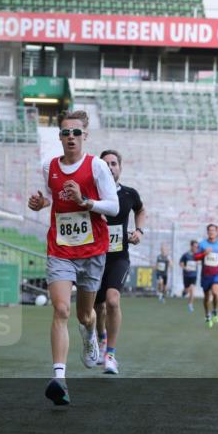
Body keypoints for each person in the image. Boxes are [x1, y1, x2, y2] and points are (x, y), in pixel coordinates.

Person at [29, 111, 118, 404]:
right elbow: (52, 198)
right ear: (59, 136)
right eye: (66, 132)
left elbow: (113, 207)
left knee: (83, 314)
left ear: (85, 136)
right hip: (61, 249)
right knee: (61, 310)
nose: (71, 137)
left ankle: (90, 331)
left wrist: (85, 202)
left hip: (92, 251)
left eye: (76, 133)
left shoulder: (98, 167)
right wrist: (41, 203)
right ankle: (59, 378)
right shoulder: (49, 166)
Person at [93, 149, 145, 375]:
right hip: (94, 259)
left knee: (113, 301)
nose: (111, 167)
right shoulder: (91, 194)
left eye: (114, 163)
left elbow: (141, 210)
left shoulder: (129, 194)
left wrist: (139, 231)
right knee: (97, 307)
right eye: (106, 164)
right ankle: (100, 338)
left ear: (120, 168)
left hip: (118, 257)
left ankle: (111, 354)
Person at [194, 224, 218, 328]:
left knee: (215, 292)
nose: (211, 232)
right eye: (209, 230)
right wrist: (204, 253)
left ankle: (215, 310)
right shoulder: (202, 244)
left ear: (217, 233)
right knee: (207, 297)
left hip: (216, 273)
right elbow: (196, 257)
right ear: (207, 232)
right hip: (205, 275)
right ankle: (207, 315)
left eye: (213, 230)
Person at [179, 240, 199, 312]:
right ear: (191, 246)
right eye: (194, 246)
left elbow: (200, 261)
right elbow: (181, 263)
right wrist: (185, 268)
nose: (196, 248)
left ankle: (190, 305)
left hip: (194, 275)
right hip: (186, 275)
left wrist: (198, 262)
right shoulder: (186, 255)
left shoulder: (198, 255)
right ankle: (184, 291)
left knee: (192, 289)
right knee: (187, 290)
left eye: (197, 247)